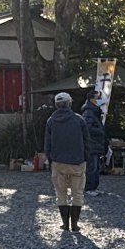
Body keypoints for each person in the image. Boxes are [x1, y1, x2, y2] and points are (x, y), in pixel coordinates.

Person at [45, 91, 88, 232]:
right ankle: (75, 225)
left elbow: (47, 145)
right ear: (70, 103)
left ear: (56, 105)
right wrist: (85, 157)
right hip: (77, 162)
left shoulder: (51, 121)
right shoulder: (79, 120)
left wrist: (51, 159)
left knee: (61, 194)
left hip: (58, 162)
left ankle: (65, 224)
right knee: (77, 193)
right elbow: (87, 141)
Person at [81, 97, 108, 196]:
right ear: (92, 99)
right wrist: (100, 131)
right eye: (98, 98)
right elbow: (87, 128)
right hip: (91, 144)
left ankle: (94, 187)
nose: (101, 100)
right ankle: (89, 188)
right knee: (91, 167)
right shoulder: (89, 112)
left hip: (95, 144)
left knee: (96, 167)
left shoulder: (94, 112)